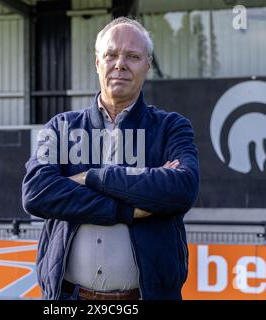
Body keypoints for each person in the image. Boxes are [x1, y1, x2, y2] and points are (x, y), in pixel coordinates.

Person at [22, 17, 199, 300]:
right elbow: (36, 193)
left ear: (147, 65)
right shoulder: (61, 127)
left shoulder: (171, 127)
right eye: (111, 54)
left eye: (132, 56)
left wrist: (91, 177)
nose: (120, 64)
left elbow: (181, 189)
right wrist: (126, 209)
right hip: (68, 297)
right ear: (97, 62)